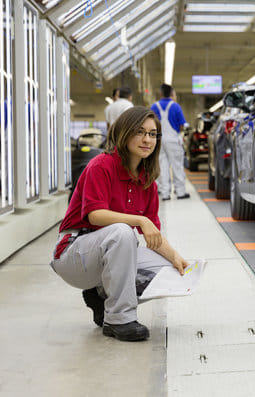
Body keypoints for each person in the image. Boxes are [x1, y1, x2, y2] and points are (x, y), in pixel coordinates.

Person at [50, 106, 190, 342]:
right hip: (73, 253)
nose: (147, 139)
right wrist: (140, 220)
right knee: (124, 233)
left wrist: (176, 258)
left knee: (168, 273)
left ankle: (101, 296)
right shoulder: (101, 165)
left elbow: (153, 238)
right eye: (140, 132)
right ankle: (119, 320)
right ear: (124, 133)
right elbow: (95, 215)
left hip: (105, 254)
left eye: (153, 134)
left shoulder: (148, 183)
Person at [151, 83, 189, 200]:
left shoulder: (154, 106)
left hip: (159, 140)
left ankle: (165, 193)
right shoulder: (176, 106)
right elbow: (182, 125)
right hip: (173, 139)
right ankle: (180, 192)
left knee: (162, 166)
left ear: (161, 93)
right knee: (177, 166)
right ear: (172, 93)